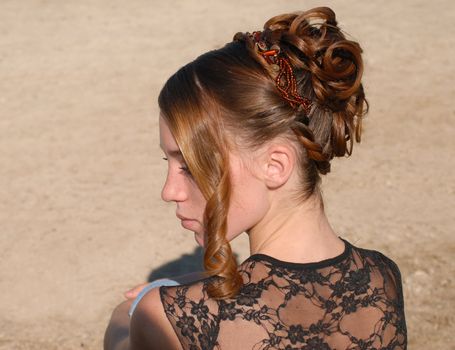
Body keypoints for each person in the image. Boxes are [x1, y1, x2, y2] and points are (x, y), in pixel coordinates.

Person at [104, 7, 407, 350]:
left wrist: (132, 308)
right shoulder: (382, 278)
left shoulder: (175, 319)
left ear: (275, 165)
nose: (169, 191)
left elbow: (124, 336)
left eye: (188, 165)